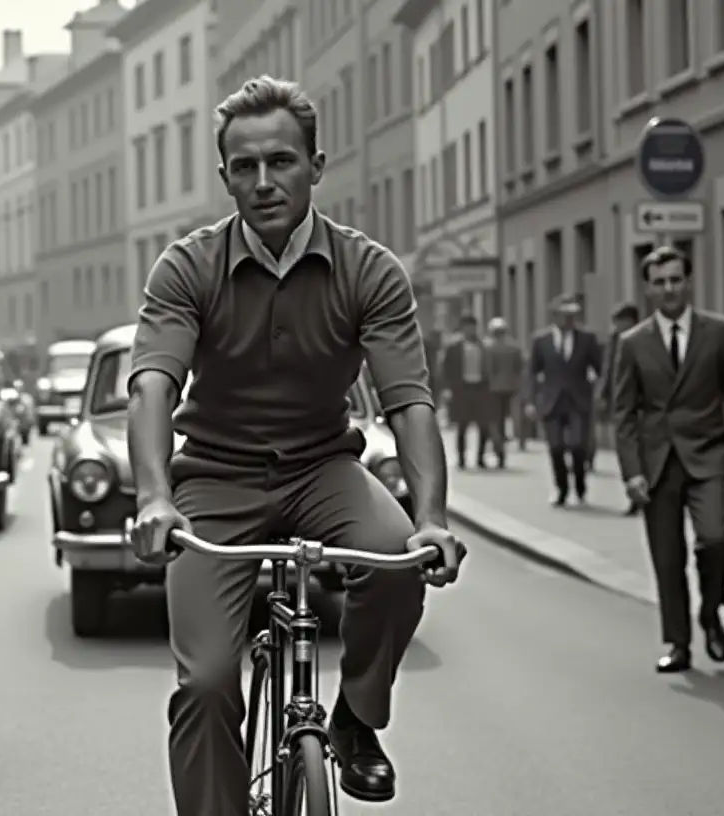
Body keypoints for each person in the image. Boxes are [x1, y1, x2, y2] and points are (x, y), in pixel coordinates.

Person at [125, 77, 464, 814]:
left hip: (322, 468)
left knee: (399, 558)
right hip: (213, 479)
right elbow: (153, 382)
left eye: (281, 161)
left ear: (316, 165)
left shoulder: (368, 270)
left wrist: (433, 516)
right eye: (243, 168)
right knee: (209, 682)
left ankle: (355, 717)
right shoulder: (188, 267)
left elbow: (407, 398)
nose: (263, 181)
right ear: (224, 179)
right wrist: (154, 495)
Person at [612, 246, 724, 673]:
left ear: (688, 282)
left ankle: (711, 610)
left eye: (676, 279)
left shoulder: (718, 331)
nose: (669, 289)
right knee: (667, 557)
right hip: (657, 464)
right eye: (660, 282)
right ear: (648, 288)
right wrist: (632, 471)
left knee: (714, 540)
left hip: (708, 453)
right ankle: (677, 642)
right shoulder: (633, 343)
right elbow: (623, 412)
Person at [527, 295, 602, 506]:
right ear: (555, 316)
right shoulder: (541, 340)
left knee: (579, 446)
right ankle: (561, 489)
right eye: (564, 315)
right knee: (556, 447)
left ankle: (580, 485)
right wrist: (531, 401)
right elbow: (532, 372)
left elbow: (600, 367)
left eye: (572, 316)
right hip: (552, 401)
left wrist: (599, 390)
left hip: (578, 400)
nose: (568, 320)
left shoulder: (587, 339)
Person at [602, 302, 642, 515]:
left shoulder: (643, 337)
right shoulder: (614, 339)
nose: (616, 326)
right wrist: (602, 395)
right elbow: (607, 368)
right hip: (619, 404)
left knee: (641, 453)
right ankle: (634, 495)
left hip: (640, 405)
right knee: (625, 452)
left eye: (620, 322)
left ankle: (642, 496)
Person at [439, 314, 492, 468]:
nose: (471, 330)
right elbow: (445, 369)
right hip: (462, 389)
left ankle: (480, 457)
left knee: (484, 425)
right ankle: (461, 458)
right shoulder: (454, 347)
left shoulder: (483, 346)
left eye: (473, 326)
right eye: (467, 327)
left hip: (480, 388)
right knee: (462, 425)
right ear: (463, 329)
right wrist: (447, 388)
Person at [482, 316, 523, 467]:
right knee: (510, 417)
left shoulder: (488, 347)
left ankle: (499, 449)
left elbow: (487, 369)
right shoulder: (514, 347)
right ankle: (513, 441)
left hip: (492, 389)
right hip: (511, 388)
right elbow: (519, 367)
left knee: (495, 421)